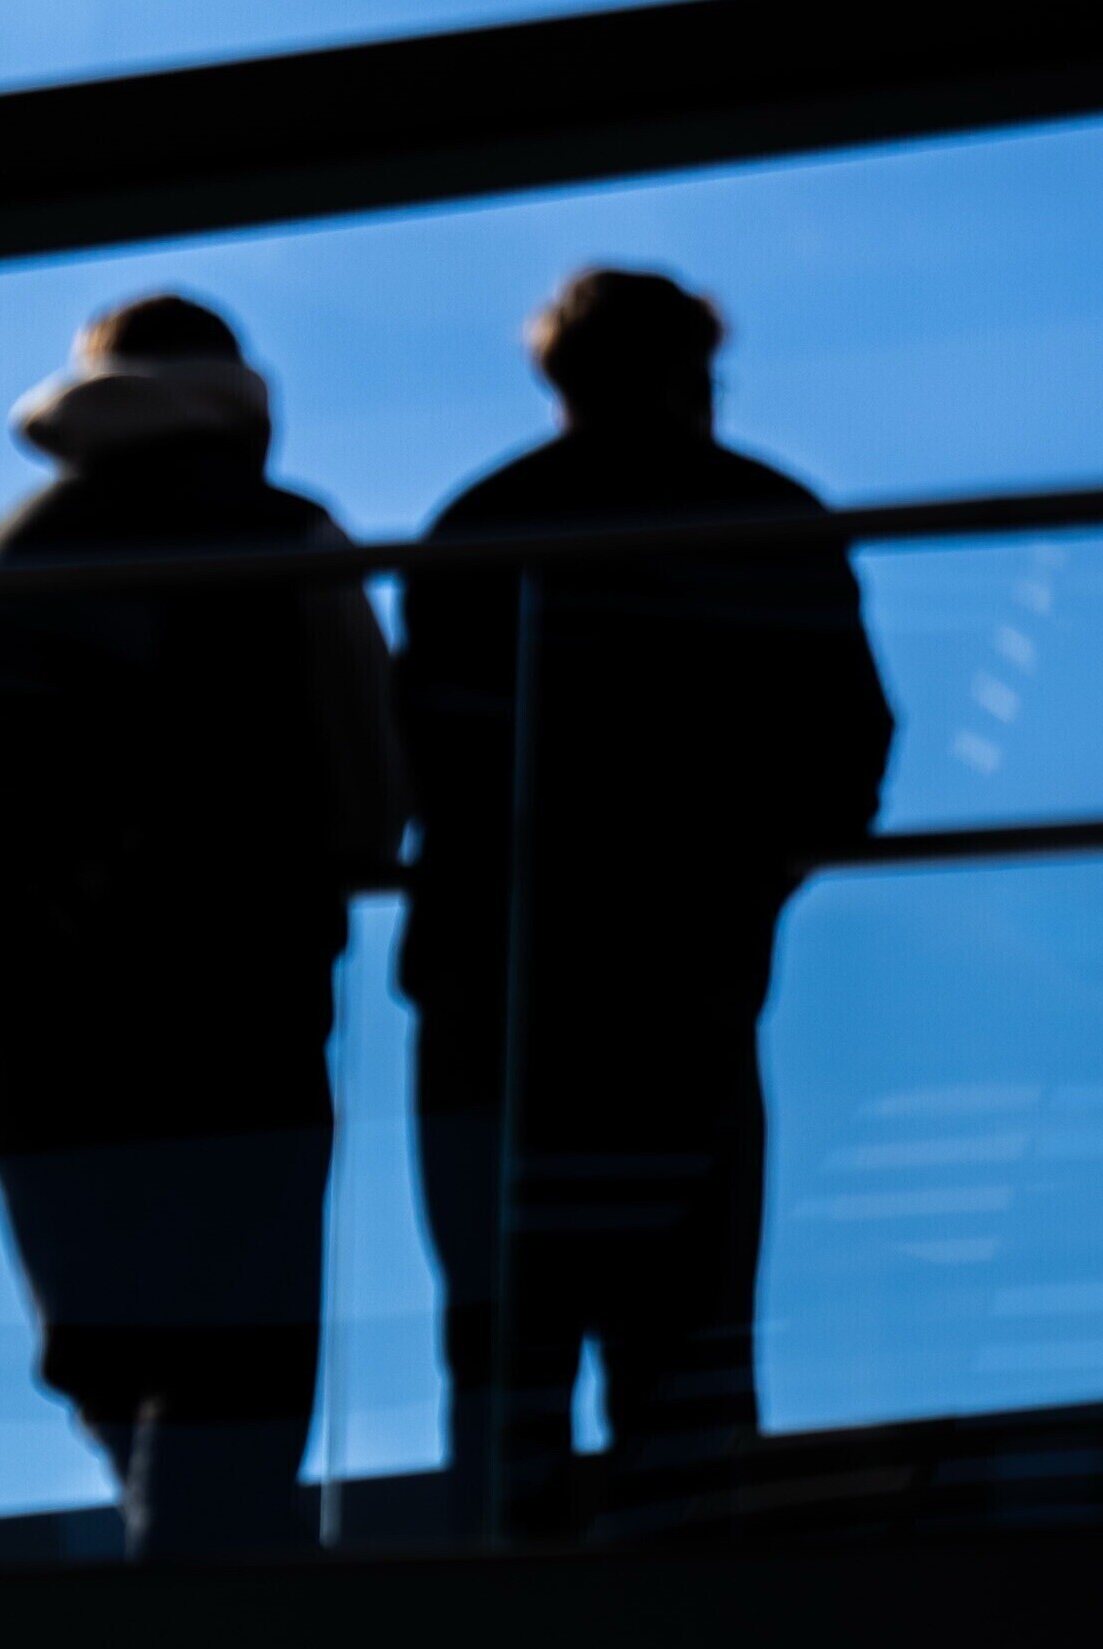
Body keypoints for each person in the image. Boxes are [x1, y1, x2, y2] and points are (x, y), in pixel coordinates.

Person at [396, 269, 889, 1544]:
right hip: (684, 1002)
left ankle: (506, 1591)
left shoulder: (485, 522)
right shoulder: (760, 516)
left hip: (497, 1002)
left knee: (504, 1364)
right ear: (689, 372)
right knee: (686, 1366)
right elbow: (847, 758)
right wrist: (734, 881)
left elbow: (426, 755)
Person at [0, 293, 395, 1561]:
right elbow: (370, 789)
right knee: (238, 1354)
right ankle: (210, 1572)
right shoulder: (288, 536)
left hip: (45, 1020)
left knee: (110, 1349)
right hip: (245, 1007)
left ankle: (179, 1555)